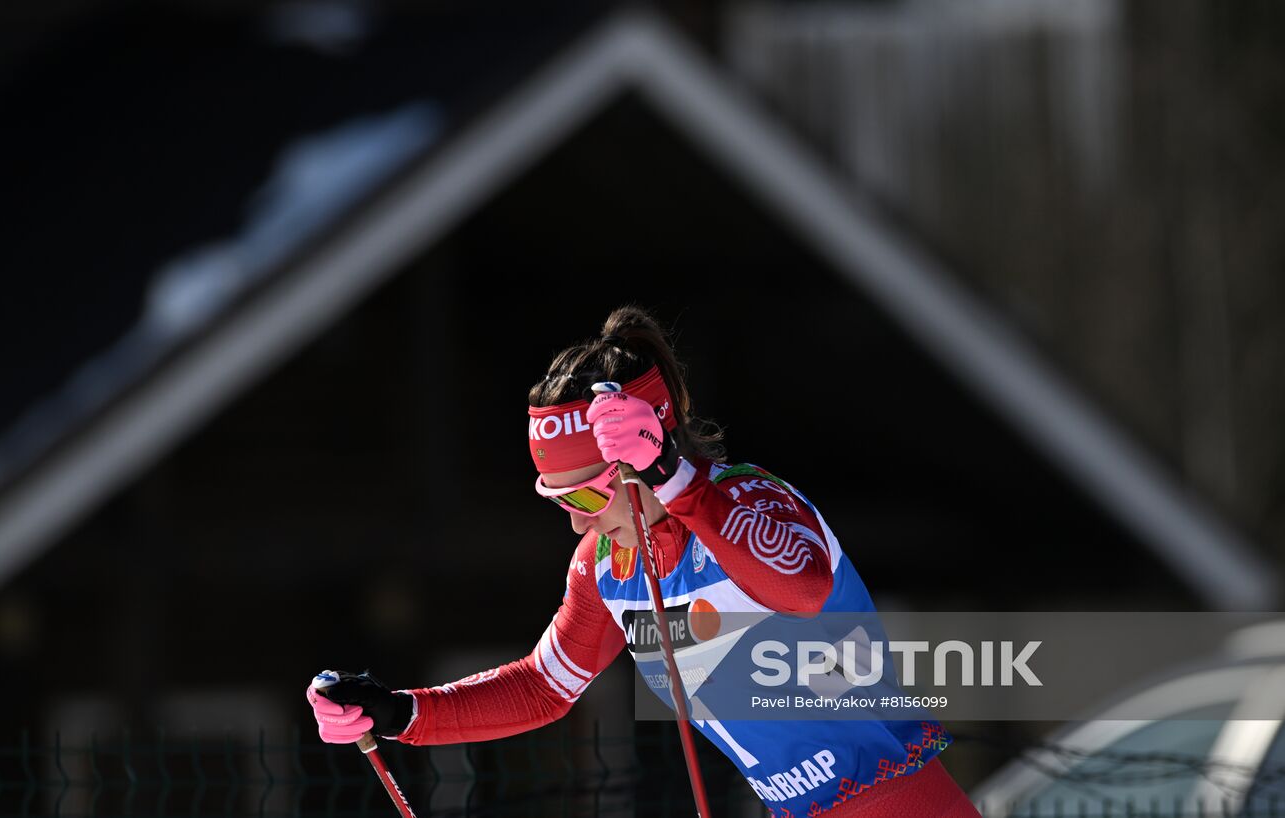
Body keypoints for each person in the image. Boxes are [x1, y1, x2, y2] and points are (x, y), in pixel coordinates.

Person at [305, 306, 981, 817]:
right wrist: (396, 714)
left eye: (587, 492)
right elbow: (544, 687)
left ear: (646, 448)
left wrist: (675, 477)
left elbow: (805, 587)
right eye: (556, 496)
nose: (575, 517)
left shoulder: (744, 497)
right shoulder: (607, 564)